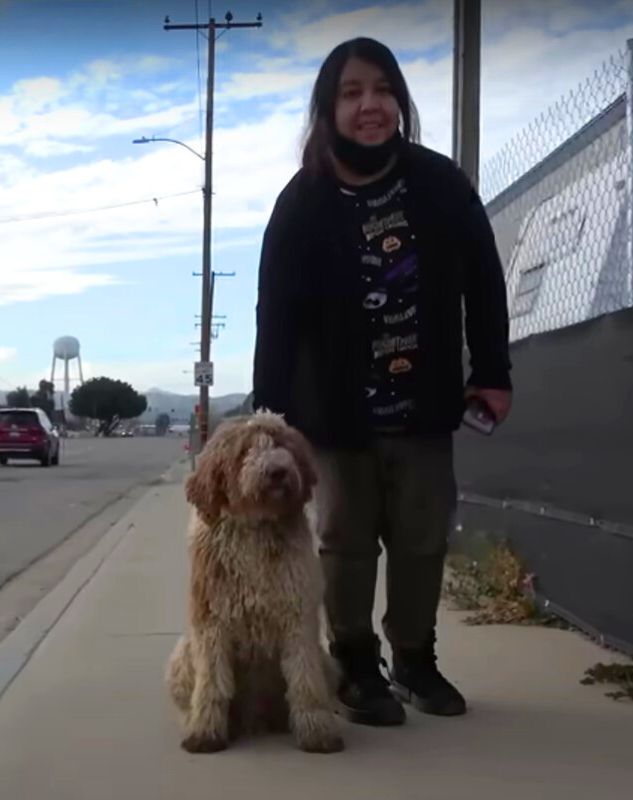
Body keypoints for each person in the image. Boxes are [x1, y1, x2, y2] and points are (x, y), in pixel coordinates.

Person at [253, 37, 512, 727]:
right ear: (328, 109)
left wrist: (492, 372)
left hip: (423, 404)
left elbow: (485, 283)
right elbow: (274, 315)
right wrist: (267, 419)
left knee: (423, 537)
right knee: (344, 537)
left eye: (382, 90)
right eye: (351, 92)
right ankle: (357, 663)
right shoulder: (302, 201)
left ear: (399, 100)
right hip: (334, 415)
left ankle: (416, 660)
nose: (370, 105)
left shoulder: (440, 183)